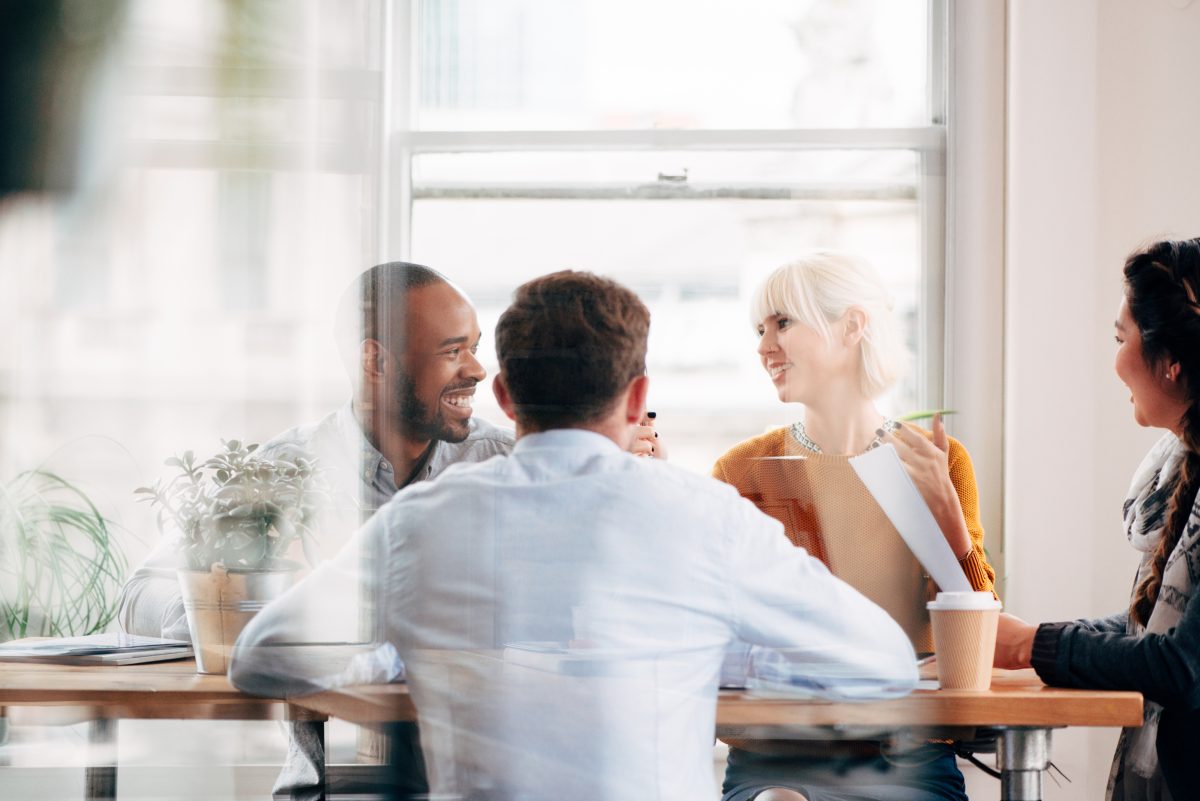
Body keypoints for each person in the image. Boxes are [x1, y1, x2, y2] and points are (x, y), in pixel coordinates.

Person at [229, 270, 920, 801]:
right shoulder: (706, 515)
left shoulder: (417, 523)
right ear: (635, 393)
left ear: (504, 396)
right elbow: (884, 661)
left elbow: (259, 657)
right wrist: (720, 656)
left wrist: (402, 648)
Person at [712, 251, 997, 801]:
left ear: (851, 327)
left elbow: (972, 646)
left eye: (783, 323)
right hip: (776, 759)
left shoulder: (937, 462)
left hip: (908, 757)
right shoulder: (741, 471)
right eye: (760, 329)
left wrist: (946, 514)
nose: (764, 346)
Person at [995, 238, 1200, 800]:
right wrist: (1032, 639)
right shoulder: (1184, 474)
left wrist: (1028, 646)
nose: (1114, 361)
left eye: (1120, 337)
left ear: (1170, 362)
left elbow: (1182, 665)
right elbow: (1153, 626)